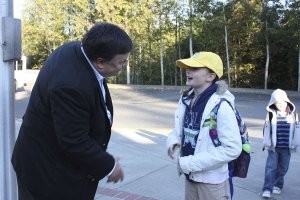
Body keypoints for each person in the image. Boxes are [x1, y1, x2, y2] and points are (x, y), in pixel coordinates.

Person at [11, 22, 132, 200]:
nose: (124, 66)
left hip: (49, 161)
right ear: (100, 62)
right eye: (121, 62)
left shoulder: (77, 50)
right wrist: (109, 166)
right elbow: (74, 140)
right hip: (47, 175)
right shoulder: (70, 86)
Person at [166, 52, 242, 200]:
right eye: (188, 67)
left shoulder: (221, 105)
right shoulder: (186, 99)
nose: (188, 70)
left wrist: (189, 163)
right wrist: (173, 142)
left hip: (212, 183)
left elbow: (232, 148)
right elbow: (178, 130)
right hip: (190, 177)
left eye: (195, 68)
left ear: (210, 77)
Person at [261, 89, 299, 198]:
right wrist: (266, 143)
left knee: (283, 168)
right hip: (274, 147)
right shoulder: (271, 114)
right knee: (271, 168)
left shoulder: (293, 113)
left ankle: (277, 185)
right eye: (277, 103)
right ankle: (267, 188)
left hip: (287, 147)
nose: (280, 105)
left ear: (287, 101)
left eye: (282, 102)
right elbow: (267, 129)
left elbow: (297, 129)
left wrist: (296, 143)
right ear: (273, 103)